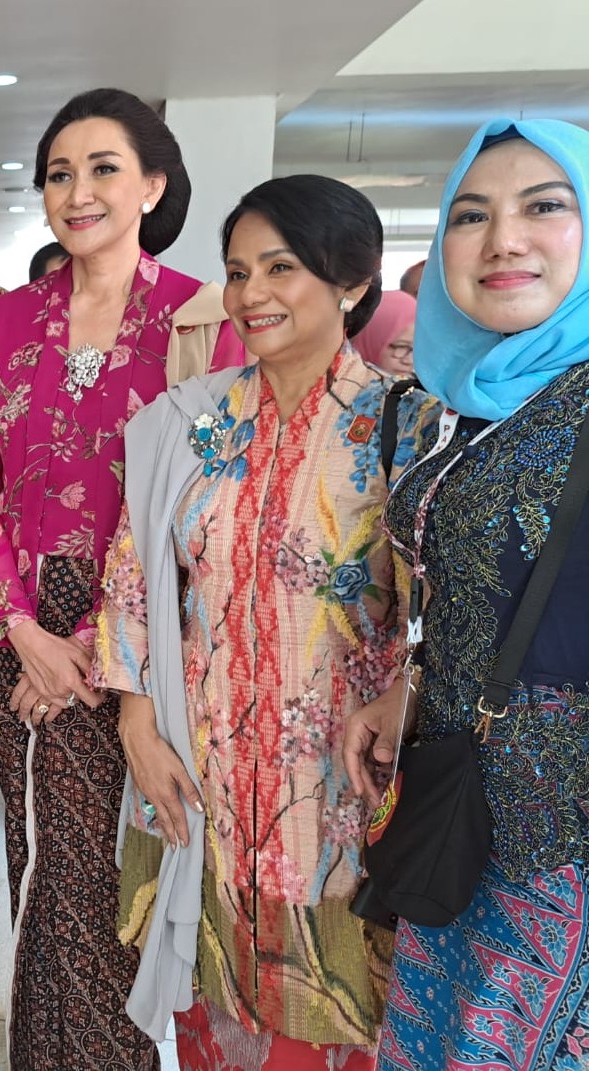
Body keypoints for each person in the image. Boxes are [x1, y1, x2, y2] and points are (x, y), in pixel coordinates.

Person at [98, 175, 439, 1070]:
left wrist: (403, 698)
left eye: (280, 267)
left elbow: (444, 622)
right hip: (199, 768)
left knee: (327, 1023)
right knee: (210, 1012)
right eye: (238, 270)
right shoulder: (191, 421)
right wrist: (136, 723)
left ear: (352, 282)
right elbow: (133, 580)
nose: (250, 293)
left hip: (331, 791)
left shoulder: (407, 430)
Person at [0, 87, 241, 1068]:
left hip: (142, 640)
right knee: (33, 854)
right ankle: (39, 1050)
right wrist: (22, 630)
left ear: (152, 185)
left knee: (114, 868)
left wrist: (94, 646)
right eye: (59, 173)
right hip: (16, 627)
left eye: (103, 168)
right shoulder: (2, 322)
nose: (77, 191)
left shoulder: (201, 320)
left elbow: (205, 501)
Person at [345, 118, 589, 1071]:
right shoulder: (474, 399)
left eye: (543, 206)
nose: (503, 239)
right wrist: (407, 691)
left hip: (563, 834)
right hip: (459, 799)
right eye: (471, 214)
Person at [350, 288, 416, 377]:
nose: (409, 361)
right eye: (402, 347)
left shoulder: (416, 382)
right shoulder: (339, 382)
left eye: (417, 349)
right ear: (373, 339)